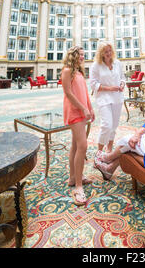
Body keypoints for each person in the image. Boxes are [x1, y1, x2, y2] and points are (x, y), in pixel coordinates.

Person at [62, 46, 95, 206]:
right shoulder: (67, 70)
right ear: (73, 55)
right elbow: (68, 93)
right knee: (82, 146)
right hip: (74, 111)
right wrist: (82, 108)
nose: (82, 57)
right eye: (80, 55)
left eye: (83, 54)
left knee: (75, 146)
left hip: (82, 110)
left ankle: (73, 177)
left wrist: (90, 108)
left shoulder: (79, 72)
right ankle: (78, 186)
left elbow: (85, 93)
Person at [90, 42, 125, 161]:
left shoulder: (118, 63)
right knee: (107, 125)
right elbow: (93, 84)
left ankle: (109, 150)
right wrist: (110, 88)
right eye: (106, 52)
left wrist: (121, 84)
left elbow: (122, 78)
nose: (109, 53)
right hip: (103, 98)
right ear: (101, 53)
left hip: (117, 98)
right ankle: (99, 153)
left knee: (114, 126)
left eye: (110, 51)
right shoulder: (96, 65)